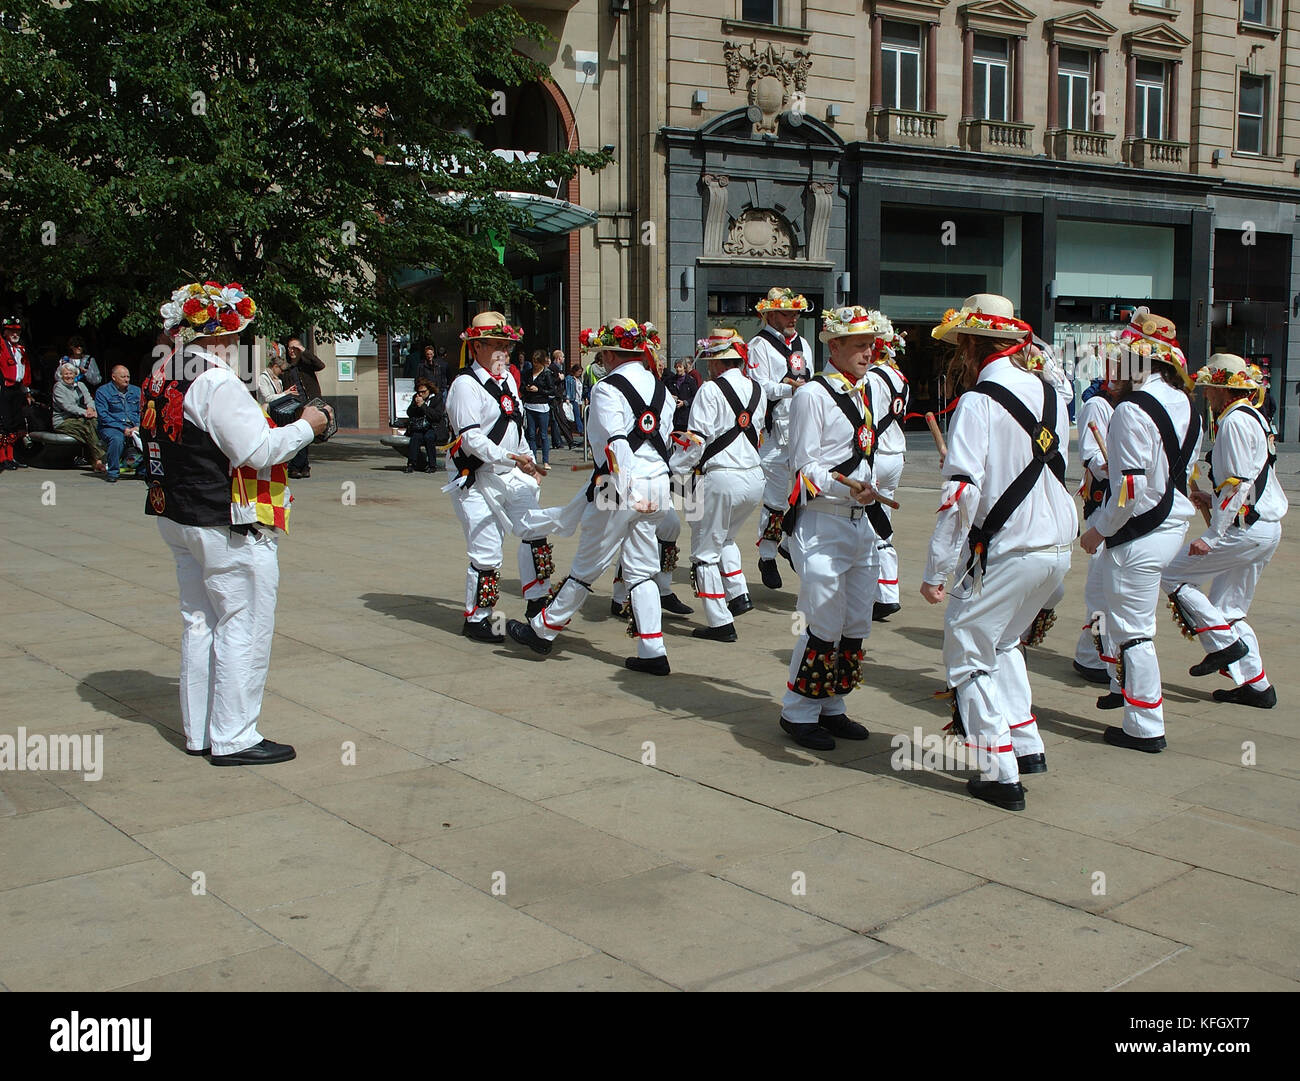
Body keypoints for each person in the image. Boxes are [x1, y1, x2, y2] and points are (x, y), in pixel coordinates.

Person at [145, 280, 330, 764]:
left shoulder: (164, 370)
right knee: (242, 623)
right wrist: (308, 425)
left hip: (177, 512)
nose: (240, 343)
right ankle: (235, 736)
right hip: (220, 519)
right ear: (220, 336)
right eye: (236, 334)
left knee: (199, 621)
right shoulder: (215, 380)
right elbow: (256, 450)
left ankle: (200, 732)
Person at [921, 294, 1076, 811]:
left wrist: (936, 570)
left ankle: (999, 770)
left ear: (967, 345)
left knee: (966, 652)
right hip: (1057, 548)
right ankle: (1027, 743)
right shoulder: (1054, 396)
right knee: (1005, 641)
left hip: (1009, 549)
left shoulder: (978, 401)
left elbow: (961, 493)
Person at [507, 319, 676, 675]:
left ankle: (542, 631)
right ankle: (652, 651)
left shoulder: (607, 388)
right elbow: (664, 441)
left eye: (603, 352)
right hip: (658, 485)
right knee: (643, 569)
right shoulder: (659, 388)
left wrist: (628, 491)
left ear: (613, 354)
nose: (600, 358)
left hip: (620, 486)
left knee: (587, 565)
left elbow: (616, 443)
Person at [1079, 308, 1200, 754]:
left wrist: (1099, 528)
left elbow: (1129, 487)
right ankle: (1123, 693)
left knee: (1134, 631)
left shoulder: (1130, 408)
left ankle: (1145, 726)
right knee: (1118, 616)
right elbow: (1169, 469)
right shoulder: (1187, 403)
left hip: (1138, 530)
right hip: (1171, 524)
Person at [778, 305, 889, 750]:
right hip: (823, 522)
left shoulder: (867, 392)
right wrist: (848, 489)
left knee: (857, 619)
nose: (868, 352)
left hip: (861, 524)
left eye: (871, 343)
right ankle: (798, 711)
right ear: (835, 346)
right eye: (860, 344)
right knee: (822, 618)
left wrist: (870, 486)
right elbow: (802, 468)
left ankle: (833, 705)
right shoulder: (812, 395)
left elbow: (865, 457)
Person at [1161, 354, 1286, 709]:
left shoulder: (1232, 422)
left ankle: (1224, 644)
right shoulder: (1255, 416)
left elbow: (1238, 483)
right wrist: (1212, 499)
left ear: (1221, 388)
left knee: (1172, 573)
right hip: (1264, 527)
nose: (1205, 394)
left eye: (1209, 388)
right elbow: (1249, 481)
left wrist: (1213, 534)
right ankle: (1257, 686)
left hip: (1244, 529)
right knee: (1229, 607)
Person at [444, 312, 555, 642]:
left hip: (512, 472)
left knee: (535, 531)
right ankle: (477, 618)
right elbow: (470, 438)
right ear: (476, 347)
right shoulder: (465, 386)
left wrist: (530, 463)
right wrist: (510, 457)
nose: (504, 354)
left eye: (507, 347)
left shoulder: (508, 379)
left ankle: (537, 604)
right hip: (476, 476)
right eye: (496, 346)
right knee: (487, 550)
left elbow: (516, 425)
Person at [669, 329, 766, 641]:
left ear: (716, 361)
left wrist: (673, 470)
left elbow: (695, 443)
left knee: (704, 553)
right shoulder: (758, 389)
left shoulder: (709, 390)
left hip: (722, 478)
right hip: (754, 479)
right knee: (726, 539)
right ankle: (738, 595)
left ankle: (720, 623)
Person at [748, 287, 814, 590]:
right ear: (770, 314)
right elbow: (759, 387)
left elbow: (809, 380)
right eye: (788, 313)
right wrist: (788, 388)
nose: (794, 318)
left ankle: (789, 543)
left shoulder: (804, 344)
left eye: (797, 313)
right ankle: (767, 555)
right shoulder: (759, 345)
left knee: (807, 496)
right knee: (774, 501)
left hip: (803, 430)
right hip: (775, 432)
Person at [1071, 374, 1120, 684]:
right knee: (1102, 584)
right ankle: (1093, 657)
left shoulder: (1135, 404)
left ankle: (1093, 654)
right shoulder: (1098, 405)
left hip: (1125, 504)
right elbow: (1091, 455)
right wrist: (1119, 467)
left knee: (1111, 584)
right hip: (1104, 502)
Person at [864, 321, 909, 621]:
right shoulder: (900, 376)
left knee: (869, 525)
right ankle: (888, 590)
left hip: (878, 454)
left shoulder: (870, 377)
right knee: (883, 523)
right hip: (897, 455)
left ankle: (878, 592)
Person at [52, 362, 108, 474]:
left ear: (75, 374)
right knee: (87, 427)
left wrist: (91, 409)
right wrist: (85, 413)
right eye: (65, 374)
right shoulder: (58, 387)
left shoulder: (80, 385)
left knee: (95, 423)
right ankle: (100, 459)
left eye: (71, 373)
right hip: (63, 420)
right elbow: (67, 406)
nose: (69, 376)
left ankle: (99, 459)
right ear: (61, 376)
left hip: (81, 418)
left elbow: (89, 400)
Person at [286, 337, 326, 479]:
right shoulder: (288, 368)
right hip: (296, 405)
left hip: (311, 403)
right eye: (289, 348)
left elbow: (321, 365)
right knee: (302, 434)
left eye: (294, 348)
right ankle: (301, 467)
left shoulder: (306, 364)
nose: (291, 351)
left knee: (307, 435)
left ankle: (299, 467)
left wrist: (303, 350)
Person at [94, 365, 143, 482]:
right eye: (123, 377)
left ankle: (142, 471)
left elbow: (142, 411)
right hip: (111, 426)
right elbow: (103, 416)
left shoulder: (136, 391)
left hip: (134, 425)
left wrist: (138, 426)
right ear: (114, 377)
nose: (126, 379)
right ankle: (113, 472)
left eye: (128, 377)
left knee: (148, 438)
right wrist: (122, 428)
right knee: (116, 439)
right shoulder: (103, 392)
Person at [0, 315, 33, 471]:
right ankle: (3, 459)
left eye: (17, 332)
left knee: (15, 424)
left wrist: (26, 392)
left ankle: (11, 457)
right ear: (4, 332)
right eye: (11, 331)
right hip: (4, 389)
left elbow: (24, 372)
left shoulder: (20, 349)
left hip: (17, 390)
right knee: (4, 425)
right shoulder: (2, 346)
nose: (15, 334)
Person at [404, 377, 449, 473]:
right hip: (420, 426)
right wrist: (415, 405)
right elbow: (410, 413)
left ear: (429, 390)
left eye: (423, 392)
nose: (420, 394)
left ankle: (432, 464)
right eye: (419, 392)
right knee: (415, 437)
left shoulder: (437, 398)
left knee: (429, 437)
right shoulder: (416, 397)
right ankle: (411, 463)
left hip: (433, 426)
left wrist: (423, 406)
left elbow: (437, 416)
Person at [521, 348, 556, 466]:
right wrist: (526, 388)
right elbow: (522, 386)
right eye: (533, 362)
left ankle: (546, 461)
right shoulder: (527, 372)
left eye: (537, 362)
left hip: (542, 406)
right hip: (530, 405)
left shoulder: (547, 374)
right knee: (531, 434)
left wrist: (539, 390)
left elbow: (552, 391)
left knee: (543, 435)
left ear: (541, 362)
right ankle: (533, 459)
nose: (535, 365)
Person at [566, 361, 585, 437]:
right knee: (577, 415)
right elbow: (567, 388)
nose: (580, 373)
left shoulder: (579, 379)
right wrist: (567, 397)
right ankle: (581, 430)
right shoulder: (569, 378)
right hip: (573, 399)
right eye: (579, 371)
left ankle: (578, 429)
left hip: (579, 399)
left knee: (577, 415)